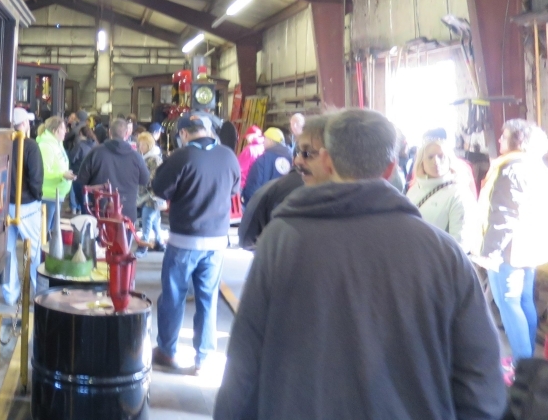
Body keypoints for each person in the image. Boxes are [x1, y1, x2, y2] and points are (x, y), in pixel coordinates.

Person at [215, 109, 506, 420]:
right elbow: (480, 373)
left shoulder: (280, 241)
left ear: (326, 161)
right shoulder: (444, 253)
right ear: (391, 168)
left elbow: (245, 361)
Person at [150, 115, 240, 373]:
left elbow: (159, 189)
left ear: (184, 134)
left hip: (184, 240)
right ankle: (204, 358)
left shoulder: (181, 157)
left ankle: (167, 351)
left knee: (174, 297)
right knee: (207, 298)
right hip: (217, 241)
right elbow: (234, 191)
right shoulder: (228, 156)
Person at [476, 119, 548, 366]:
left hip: (509, 250)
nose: (499, 140)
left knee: (509, 304)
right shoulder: (536, 167)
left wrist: (489, 252)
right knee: (524, 301)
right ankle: (529, 361)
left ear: (517, 140)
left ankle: (522, 366)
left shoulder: (511, 169)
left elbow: (502, 216)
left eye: (504, 136)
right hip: (530, 248)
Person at [238, 115, 329, 249]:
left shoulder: (270, 188)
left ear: (329, 157)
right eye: (298, 152)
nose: (297, 161)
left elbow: (247, 237)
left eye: (307, 153)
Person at [407, 138, 479, 252]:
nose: (436, 161)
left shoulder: (459, 193)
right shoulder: (414, 189)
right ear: (422, 162)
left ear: (449, 160)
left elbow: (460, 245)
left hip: (437, 264)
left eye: (441, 156)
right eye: (430, 157)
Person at [3, 107, 43, 306]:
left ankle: (9, 294)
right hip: (27, 205)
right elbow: (36, 179)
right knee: (34, 251)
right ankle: (40, 293)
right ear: (25, 124)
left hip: (2, 205)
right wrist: (38, 197)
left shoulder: (2, 143)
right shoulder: (30, 146)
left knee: (8, 251)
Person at [74, 117, 150, 222]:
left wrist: (84, 205)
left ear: (109, 132)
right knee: (124, 238)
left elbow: (80, 181)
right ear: (127, 133)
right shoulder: (136, 157)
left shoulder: (96, 152)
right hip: (126, 211)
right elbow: (145, 180)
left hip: (100, 210)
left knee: (101, 238)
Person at [37, 115, 73, 230]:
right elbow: (43, 171)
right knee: (45, 230)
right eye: (63, 129)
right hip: (49, 195)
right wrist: (62, 174)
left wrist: (65, 173)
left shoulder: (57, 144)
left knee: (52, 229)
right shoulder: (46, 146)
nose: (66, 132)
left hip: (57, 194)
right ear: (55, 131)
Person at [241, 127, 293, 205]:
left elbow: (254, 185)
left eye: (265, 139)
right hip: (283, 207)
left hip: (263, 207)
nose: (263, 142)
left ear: (271, 141)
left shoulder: (263, 159)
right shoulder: (292, 159)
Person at [135, 131, 166, 254]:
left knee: (147, 219)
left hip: (152, 195)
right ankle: (160, 243)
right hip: (148, 195)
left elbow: (153, 178)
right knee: (154, 221)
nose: (140, 147)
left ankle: (143, 246)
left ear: (148, 145)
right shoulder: (147, 157)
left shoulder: (153, 159)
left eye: (142, 144)